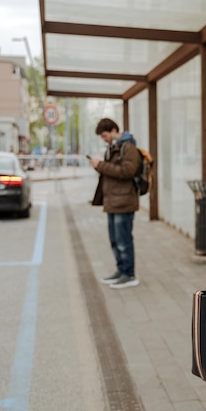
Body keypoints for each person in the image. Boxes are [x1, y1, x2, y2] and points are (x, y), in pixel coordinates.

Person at [89, 118, 141, 289]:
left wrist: (101, 165)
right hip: (113, 201)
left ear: (113, 130)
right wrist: (99, 166)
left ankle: (129, 274)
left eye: (105, 136)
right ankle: (121, 271)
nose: (104, 139)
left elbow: (127, 171)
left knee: (123, 240)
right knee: (114, 240)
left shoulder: (129, 147)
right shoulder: (113, 148)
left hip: (124, 201)